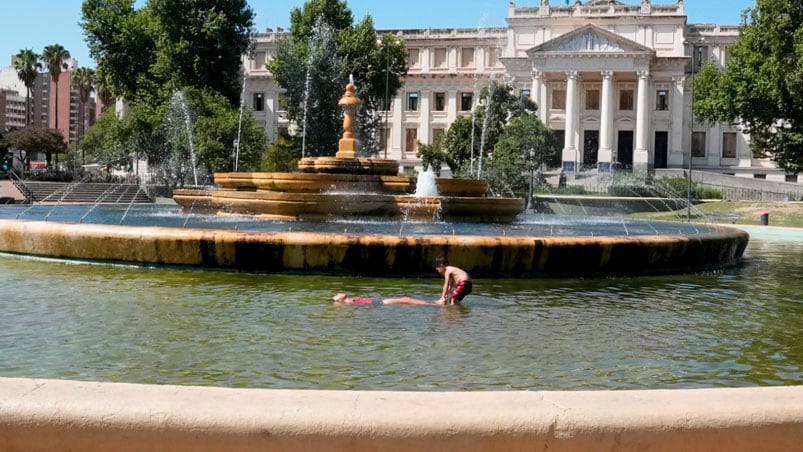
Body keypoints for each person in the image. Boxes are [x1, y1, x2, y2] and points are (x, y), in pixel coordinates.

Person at [332, 293, 437, 305]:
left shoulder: (350, 300)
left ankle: (430, 303)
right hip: (380, 303)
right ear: (340, 299)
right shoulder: (348, 301)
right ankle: (431, 304)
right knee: (407, 300)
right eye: (337, 295)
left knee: (406, 300)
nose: (338, 293)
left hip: (379, 302)